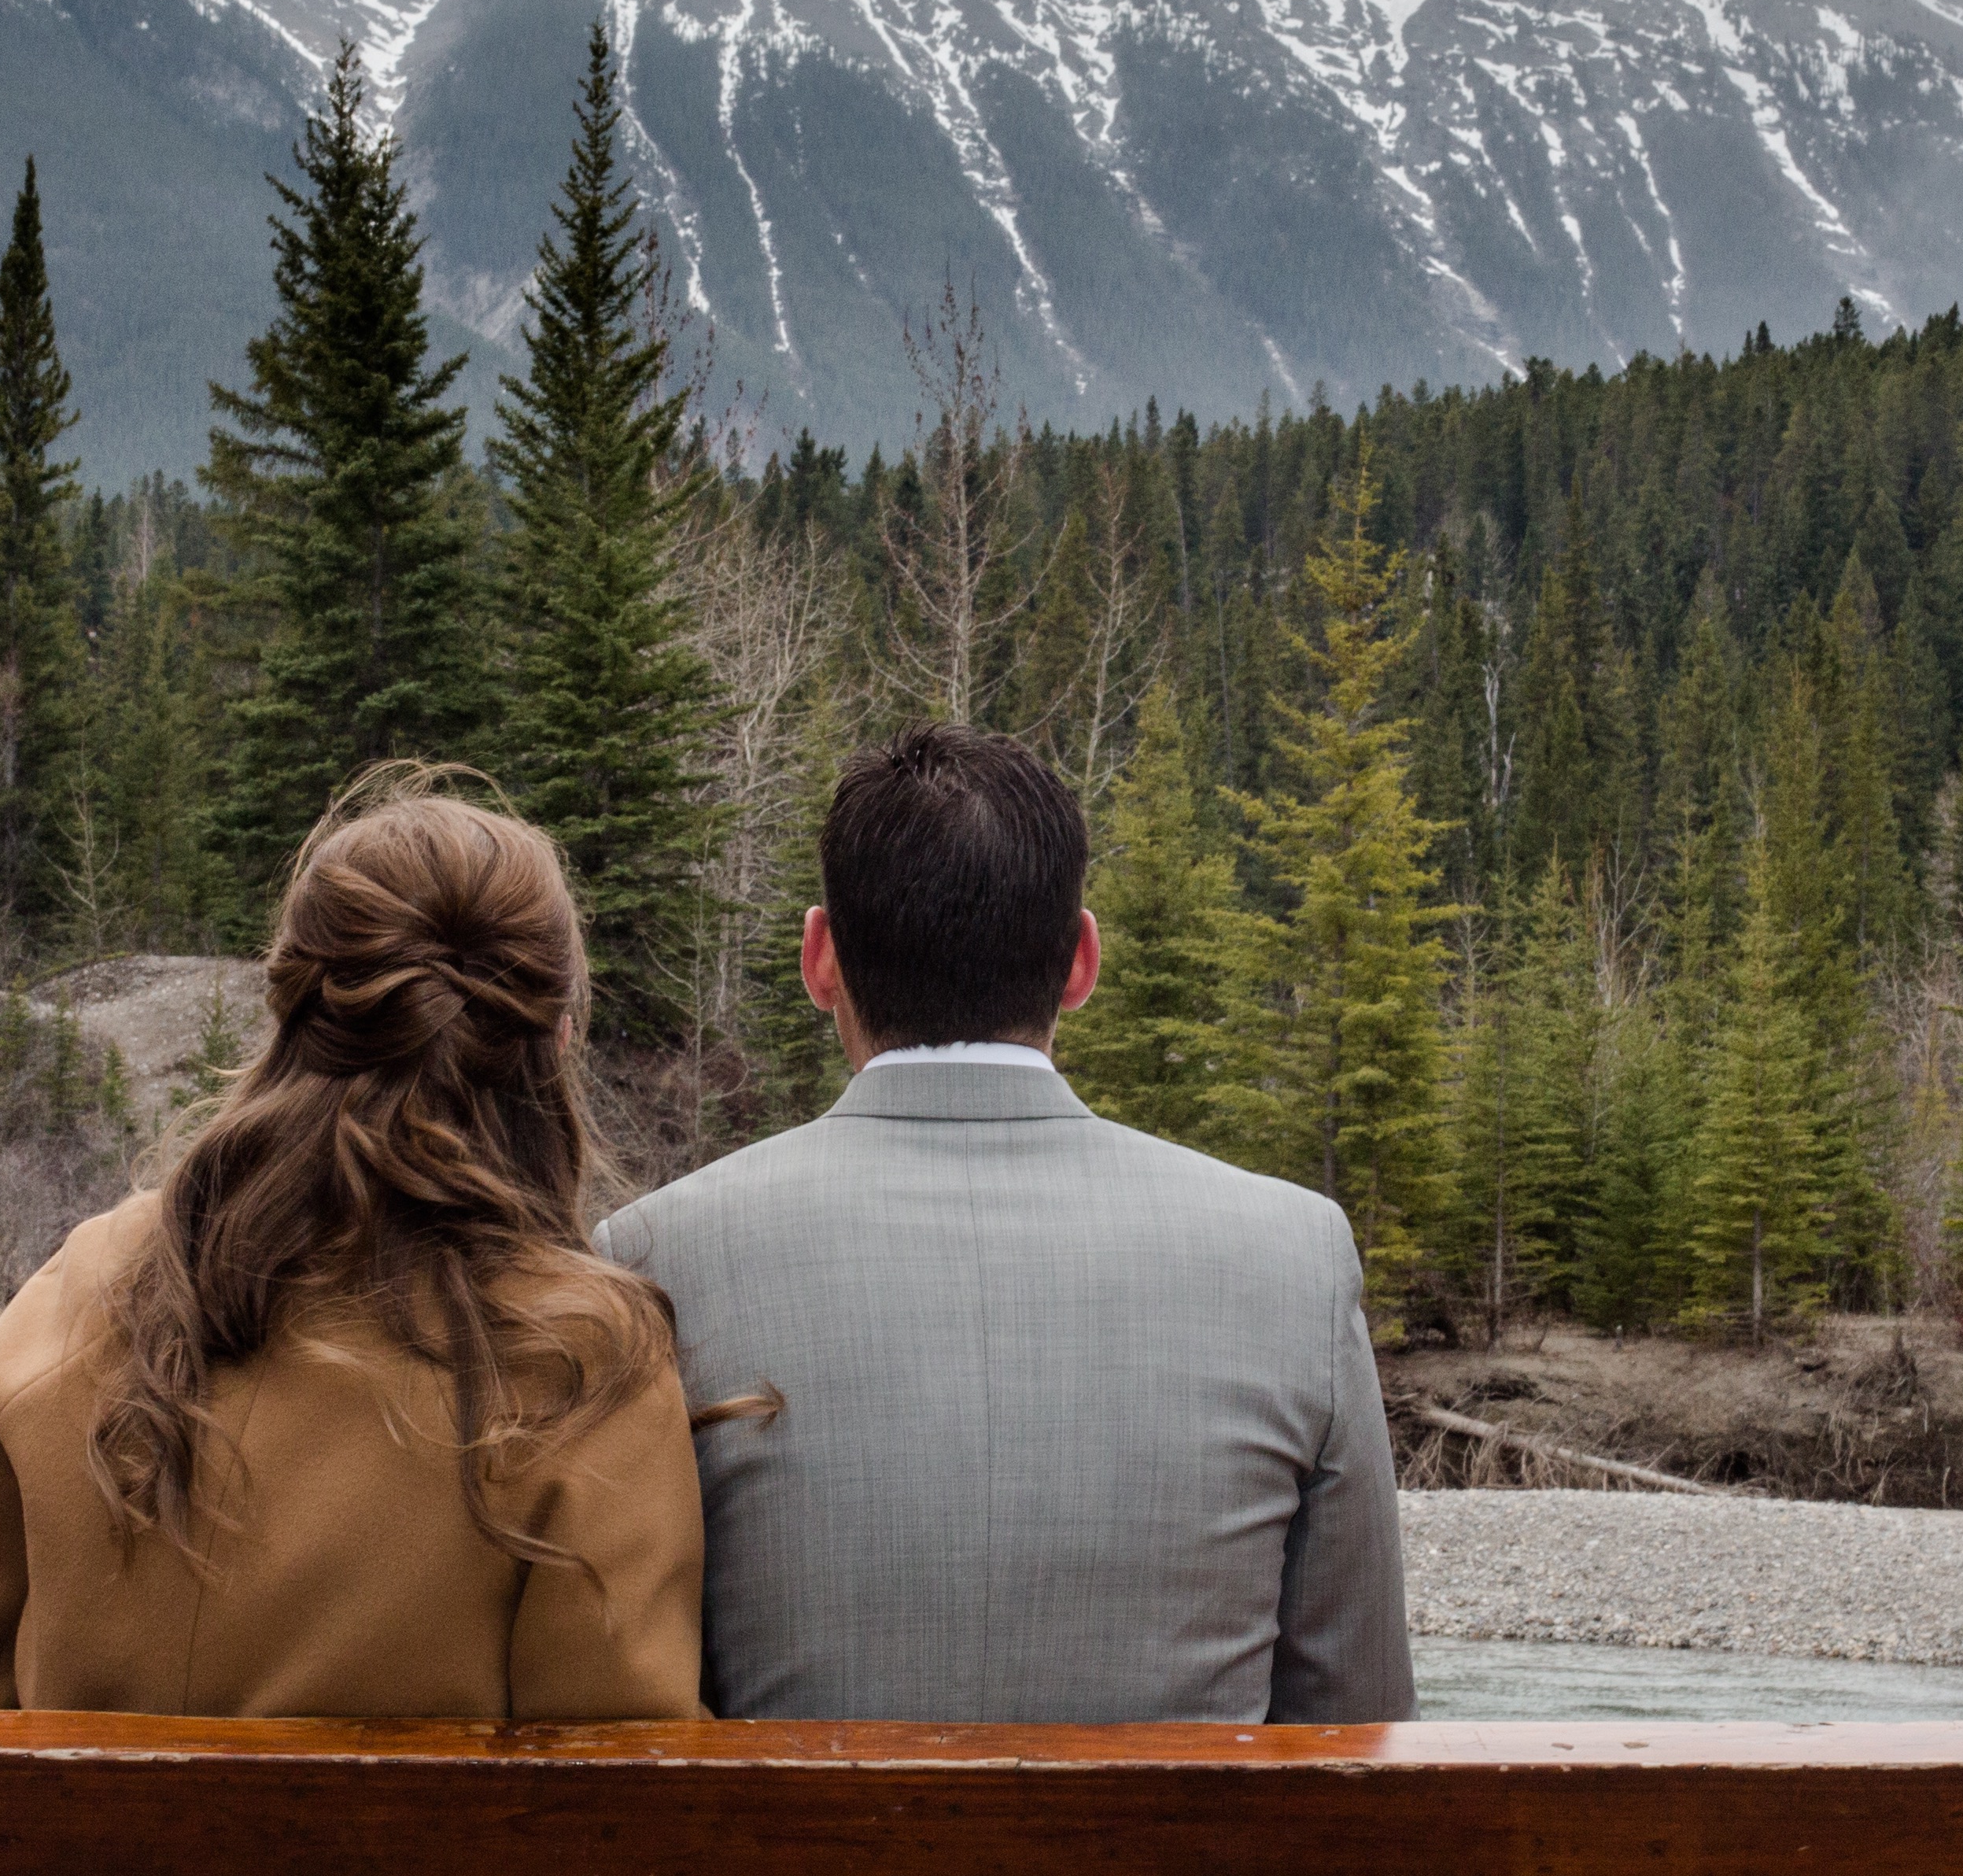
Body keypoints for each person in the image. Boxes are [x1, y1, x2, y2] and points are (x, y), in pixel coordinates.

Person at [600, 725, 1413, 1724]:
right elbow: (1355, 1720)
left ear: (820, 961)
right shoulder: (1298, 1253)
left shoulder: (645, 1258)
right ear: (1080, 961)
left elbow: (629, 1693)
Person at [0, 776, 704, 1717]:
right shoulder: (584, 1364)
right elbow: (616, 1784)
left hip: (68, 1864)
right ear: (558, 1038)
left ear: (289, 1010)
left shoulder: (82, 1287)